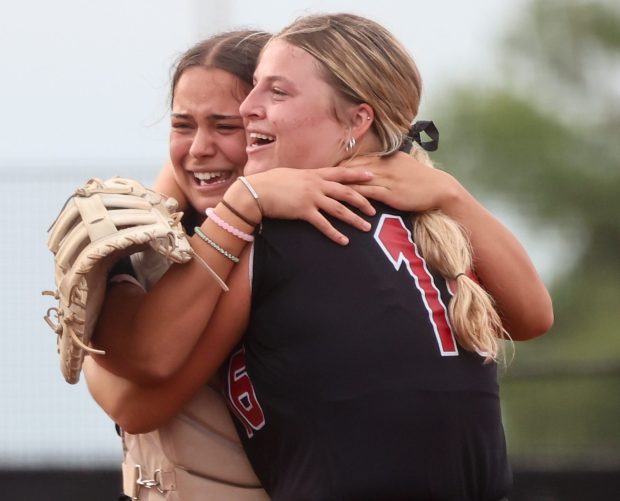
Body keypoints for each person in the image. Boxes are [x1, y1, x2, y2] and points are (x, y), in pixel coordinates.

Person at [88, 13, 553, 501]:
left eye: (277, 93)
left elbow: (138, 392)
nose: (250, 109)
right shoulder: (425, 211)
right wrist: (453, 194)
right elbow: (536, 315)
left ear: (358, 118)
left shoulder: (274, 234)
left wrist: (112, 276)